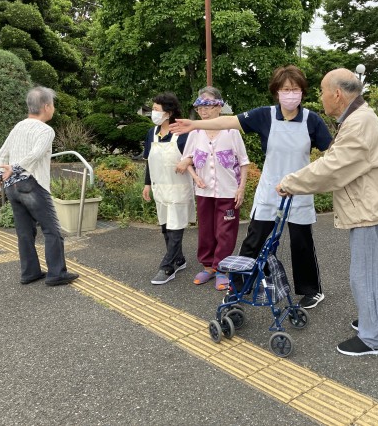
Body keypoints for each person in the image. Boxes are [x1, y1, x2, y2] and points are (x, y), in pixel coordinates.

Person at [171, 65, 332, 309]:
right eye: (285, 89)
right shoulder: (265, 115)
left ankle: (311, 290)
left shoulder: (312, 120)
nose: (290, 94)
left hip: (299, 191)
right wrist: (195, 125)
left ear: (302, 92)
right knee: (254, 241)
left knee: (301, 242)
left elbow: (332, 152)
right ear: (276, 92)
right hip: (270, 189)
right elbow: (230, 120)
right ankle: (239, 286)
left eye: (295, 89)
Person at [276, 68, 378, 356]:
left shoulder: (358, 123)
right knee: (371, 269)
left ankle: (372, 339)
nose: (320, 97)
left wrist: (290, 183)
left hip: (370, 207)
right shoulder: (360, 117)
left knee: (364, 274)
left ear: (337, 94)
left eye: (322, 92)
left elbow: (332, 168)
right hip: (375, 202)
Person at [0, 87, 78, 286]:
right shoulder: (46, 130)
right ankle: (56, 274)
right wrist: (16, 167)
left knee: (24, 232)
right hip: (32, 184)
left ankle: (30, 272)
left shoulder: (18, 126)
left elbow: (1, 154)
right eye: (52, 105)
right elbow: (36, 154)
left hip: (12, 187)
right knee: (52, 230)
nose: (53, 108)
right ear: (46, 106)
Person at [177, 87, 250, 290]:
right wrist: (195, 178)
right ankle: (208, 266)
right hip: (204, 192)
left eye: (208, 106)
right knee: (206, 230)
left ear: (219, 107)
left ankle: (221, 269)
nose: (203, 111)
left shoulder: (231, 131)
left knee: (225, 231)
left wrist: (241, 188)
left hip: (228, 190)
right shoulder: (195, 132)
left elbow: (244, 162)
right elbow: (187, 159)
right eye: (199, 107)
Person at [142, 92, 195, 285]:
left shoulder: (183, 133)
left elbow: (197, 156)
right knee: (165, 227)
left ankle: (167, 267)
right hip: (160, 188)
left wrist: (188, 161)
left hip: (179, 188)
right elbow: (149, 161)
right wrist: (147, 184)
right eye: (153, 109)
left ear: (169, 112)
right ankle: (179, 260)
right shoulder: (152, 133)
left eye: (156, 109)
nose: (153, 113)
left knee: (175, 228)